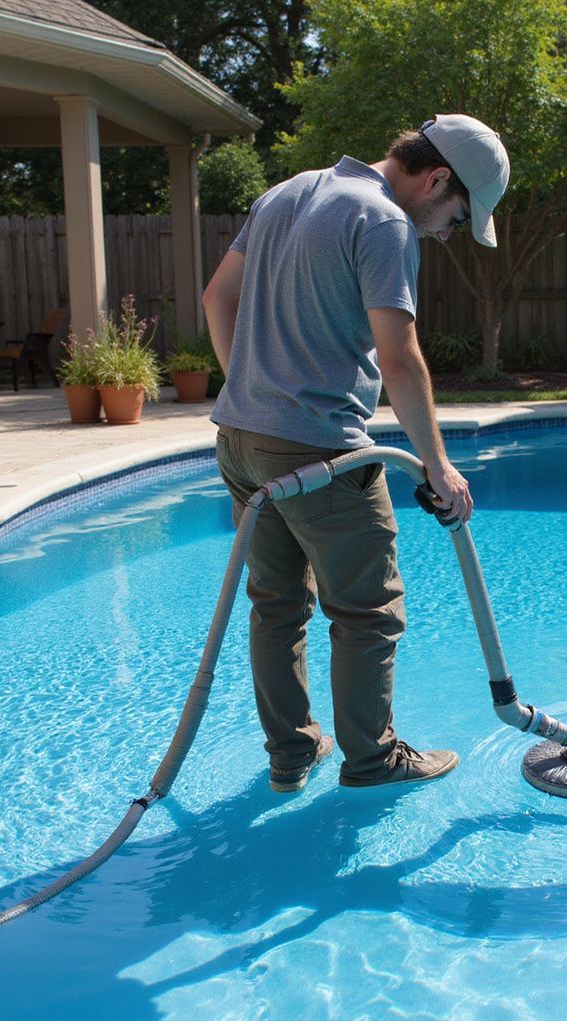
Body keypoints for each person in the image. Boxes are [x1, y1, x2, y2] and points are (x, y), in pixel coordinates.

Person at [202, 114, 509, 792]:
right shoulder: (386, 223)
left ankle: (291, 754)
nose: (447, 233)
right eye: (457, 219)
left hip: (239, 441)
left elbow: (216, 296)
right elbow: (401, 360)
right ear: (436, 179)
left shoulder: (289, 191)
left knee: (275, 605)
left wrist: (253, 391)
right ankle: (372, 760)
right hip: (320, 453)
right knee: (368, 611)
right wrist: (439, 466)